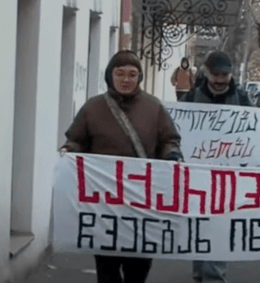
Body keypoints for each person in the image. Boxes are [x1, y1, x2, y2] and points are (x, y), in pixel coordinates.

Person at [60, 50, 183, 283]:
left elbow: (169, 139)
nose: (126, 79)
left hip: (141, 202)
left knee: (139, 266)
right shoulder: (93, 108)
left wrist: (172, 157)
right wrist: (70, 152)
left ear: (139, 77)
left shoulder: (154, 108)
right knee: (107, 266)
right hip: (105, 203)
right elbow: (76, 139)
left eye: (132, 74)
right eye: (120, 74)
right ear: (110, 76)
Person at [180, 50, 260, 283]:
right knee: (200, 223)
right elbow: (177, 132)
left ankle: (214, 275)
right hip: (199, 177)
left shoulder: (242, 99)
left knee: (221, 225)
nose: (220, 80)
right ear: (207, 73)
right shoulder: (191, 99)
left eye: (224, 75)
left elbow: (257, 134)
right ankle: (199, 271)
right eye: (216, 74)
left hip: (229, 179)